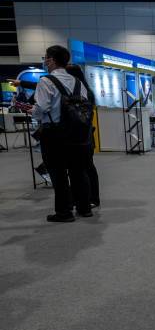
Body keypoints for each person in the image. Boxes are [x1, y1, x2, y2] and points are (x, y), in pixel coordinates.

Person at [30, 45, 92, 222]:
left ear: (50, 60)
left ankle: (64, 212)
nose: (44, 61)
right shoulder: (78, 83)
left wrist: (33, 112)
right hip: (79, 133)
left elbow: (41, 107)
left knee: (58, 174)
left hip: (54, 134)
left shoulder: (46, 81)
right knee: (79, 172)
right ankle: (84, 208)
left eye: (46, 58)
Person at [65, 64, 100, 208]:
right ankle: (82, 198)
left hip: (81, 135)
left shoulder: (82, 93)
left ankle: (90, 199)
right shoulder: (86, 91)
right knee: (81, 168)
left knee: (86, 168)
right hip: (84, 135)